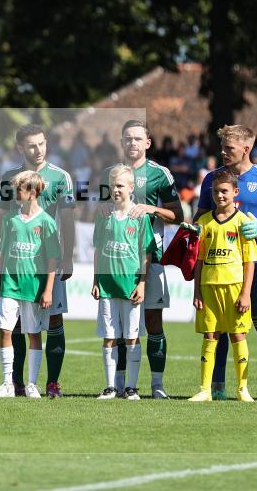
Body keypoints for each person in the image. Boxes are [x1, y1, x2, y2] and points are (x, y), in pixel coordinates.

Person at [195, 125, 257, 402]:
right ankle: (218, 386)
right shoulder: (212, 179)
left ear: (246, 149)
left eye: (229, 148)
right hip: (220, 268)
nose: (223, 152)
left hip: (256, 266)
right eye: (222, 147)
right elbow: (200, 215)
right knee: (220, 327)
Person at [0, 123, 74, 398]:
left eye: (42, 143)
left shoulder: (61, 177)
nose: (38, 149)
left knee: (54, 320)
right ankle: (18, 383)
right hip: (17, 265)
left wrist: (67, 258)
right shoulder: (11, 177)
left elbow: (67, 221)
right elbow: (0, 219)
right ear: (20, 147)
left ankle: (52, 383)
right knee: (18, 325)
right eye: (32, 145)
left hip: (47, 264)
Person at [98, 120, 182, 399]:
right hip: (117, 264)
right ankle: (118, 385)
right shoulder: (110, 174)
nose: (132, 143)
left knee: (153, 322)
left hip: (150, 259)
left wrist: (150, 208)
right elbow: (102, 211)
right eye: (127, 139)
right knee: (120, 327)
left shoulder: (160, 174)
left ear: (148, 143)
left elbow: (178, 216)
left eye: (137, 139)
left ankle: (157, 384)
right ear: (121, 143)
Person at [188, 170, 257, 403]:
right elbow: (198, 260)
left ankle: (242, 389)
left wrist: (246, 293)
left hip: (235, 287)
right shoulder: (204, 222)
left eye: (225, 191)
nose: (220, 195)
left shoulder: (243, 223)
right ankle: (205, 390)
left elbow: (250, 261)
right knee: (210, 335)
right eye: (216, 191)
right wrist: (196, 290)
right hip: (209, 286)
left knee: (238, 335)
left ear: (235, 193)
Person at [0, 171, 60, 398]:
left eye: (19, 188)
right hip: (10, 284)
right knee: (5, 330)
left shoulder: (47, 222)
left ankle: (32, 384)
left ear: (32, 192)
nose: (15, 192)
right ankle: (7, 383)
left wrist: (48, 289)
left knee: (33, 334)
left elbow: (52, 260)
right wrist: (0, 282)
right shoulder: (10, 219)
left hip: (34, 288)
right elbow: (3, 254)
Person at [92, 166, 155, 400]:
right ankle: (110, 387)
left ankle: (131, 387)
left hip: (130, 285)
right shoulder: (104, 214)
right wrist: (96, 280)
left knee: (131, 336)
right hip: (107, 285)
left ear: (131, 187)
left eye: (120, 185)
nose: (115, 190)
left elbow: (145, 253)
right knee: (109, 336)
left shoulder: (140, 217)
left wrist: (142, 283)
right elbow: (98, 249)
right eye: (112, 185)